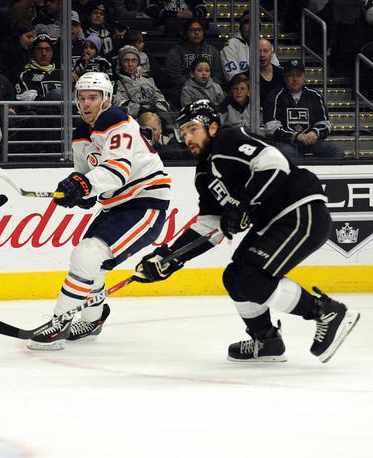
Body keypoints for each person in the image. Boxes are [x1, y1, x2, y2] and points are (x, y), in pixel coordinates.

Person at [133, 99, 360, 363]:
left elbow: (275, 163)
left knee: (251, 278)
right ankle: (266, 340)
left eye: (192, 129)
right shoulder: (204, 174)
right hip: (275, 221)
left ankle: (326, 312)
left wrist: (244, 204)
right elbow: (210, 225)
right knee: (236, 276)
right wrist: (170, 258)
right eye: (183, 133)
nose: (187, 138)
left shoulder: (228, 141)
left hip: (300, 210)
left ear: (213, 128)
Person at [27, 72, 171, 350]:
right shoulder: (83, 132)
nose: (86, 104)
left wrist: (82, 185)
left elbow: (116, 173)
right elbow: (85, 176)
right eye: (81, 98)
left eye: (92, 97)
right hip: (117, 206)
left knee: (88, 255)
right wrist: (74, 192)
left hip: (145, 204)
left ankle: (59, 323)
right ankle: (92, 321)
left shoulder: (116, 120)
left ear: (106, 99)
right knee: (94, 263)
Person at [263, 59, 344, 159]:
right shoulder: (275, 96)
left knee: (336, 150)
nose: (295, 79)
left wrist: (315, 133)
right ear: (284, 77)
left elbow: (326, 123)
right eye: (291, 75)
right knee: (288, 152)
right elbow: (271, 127)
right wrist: (297, 136)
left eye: (299, 75)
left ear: (304, 77)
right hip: (287, 143)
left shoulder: (314, 95)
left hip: (311, 141)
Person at [220, 10, 279, 82]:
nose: (251, 26)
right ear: (241, 27)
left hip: (265, 87)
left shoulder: (265, 45)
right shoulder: (231, 45)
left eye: (255, 23)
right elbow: (232, 76)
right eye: (248, 23)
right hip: (241, 89)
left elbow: (276, 69)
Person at [113, 45, 170, 117]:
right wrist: (141, 110)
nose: (130, 64)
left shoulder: (148, 81)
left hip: (153, 118)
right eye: (126, 61)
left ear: (138, 63)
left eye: (134, 60)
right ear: (120, 63)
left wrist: (158, 107)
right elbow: (119, 104)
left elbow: (160, 97)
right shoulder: (116, 83)